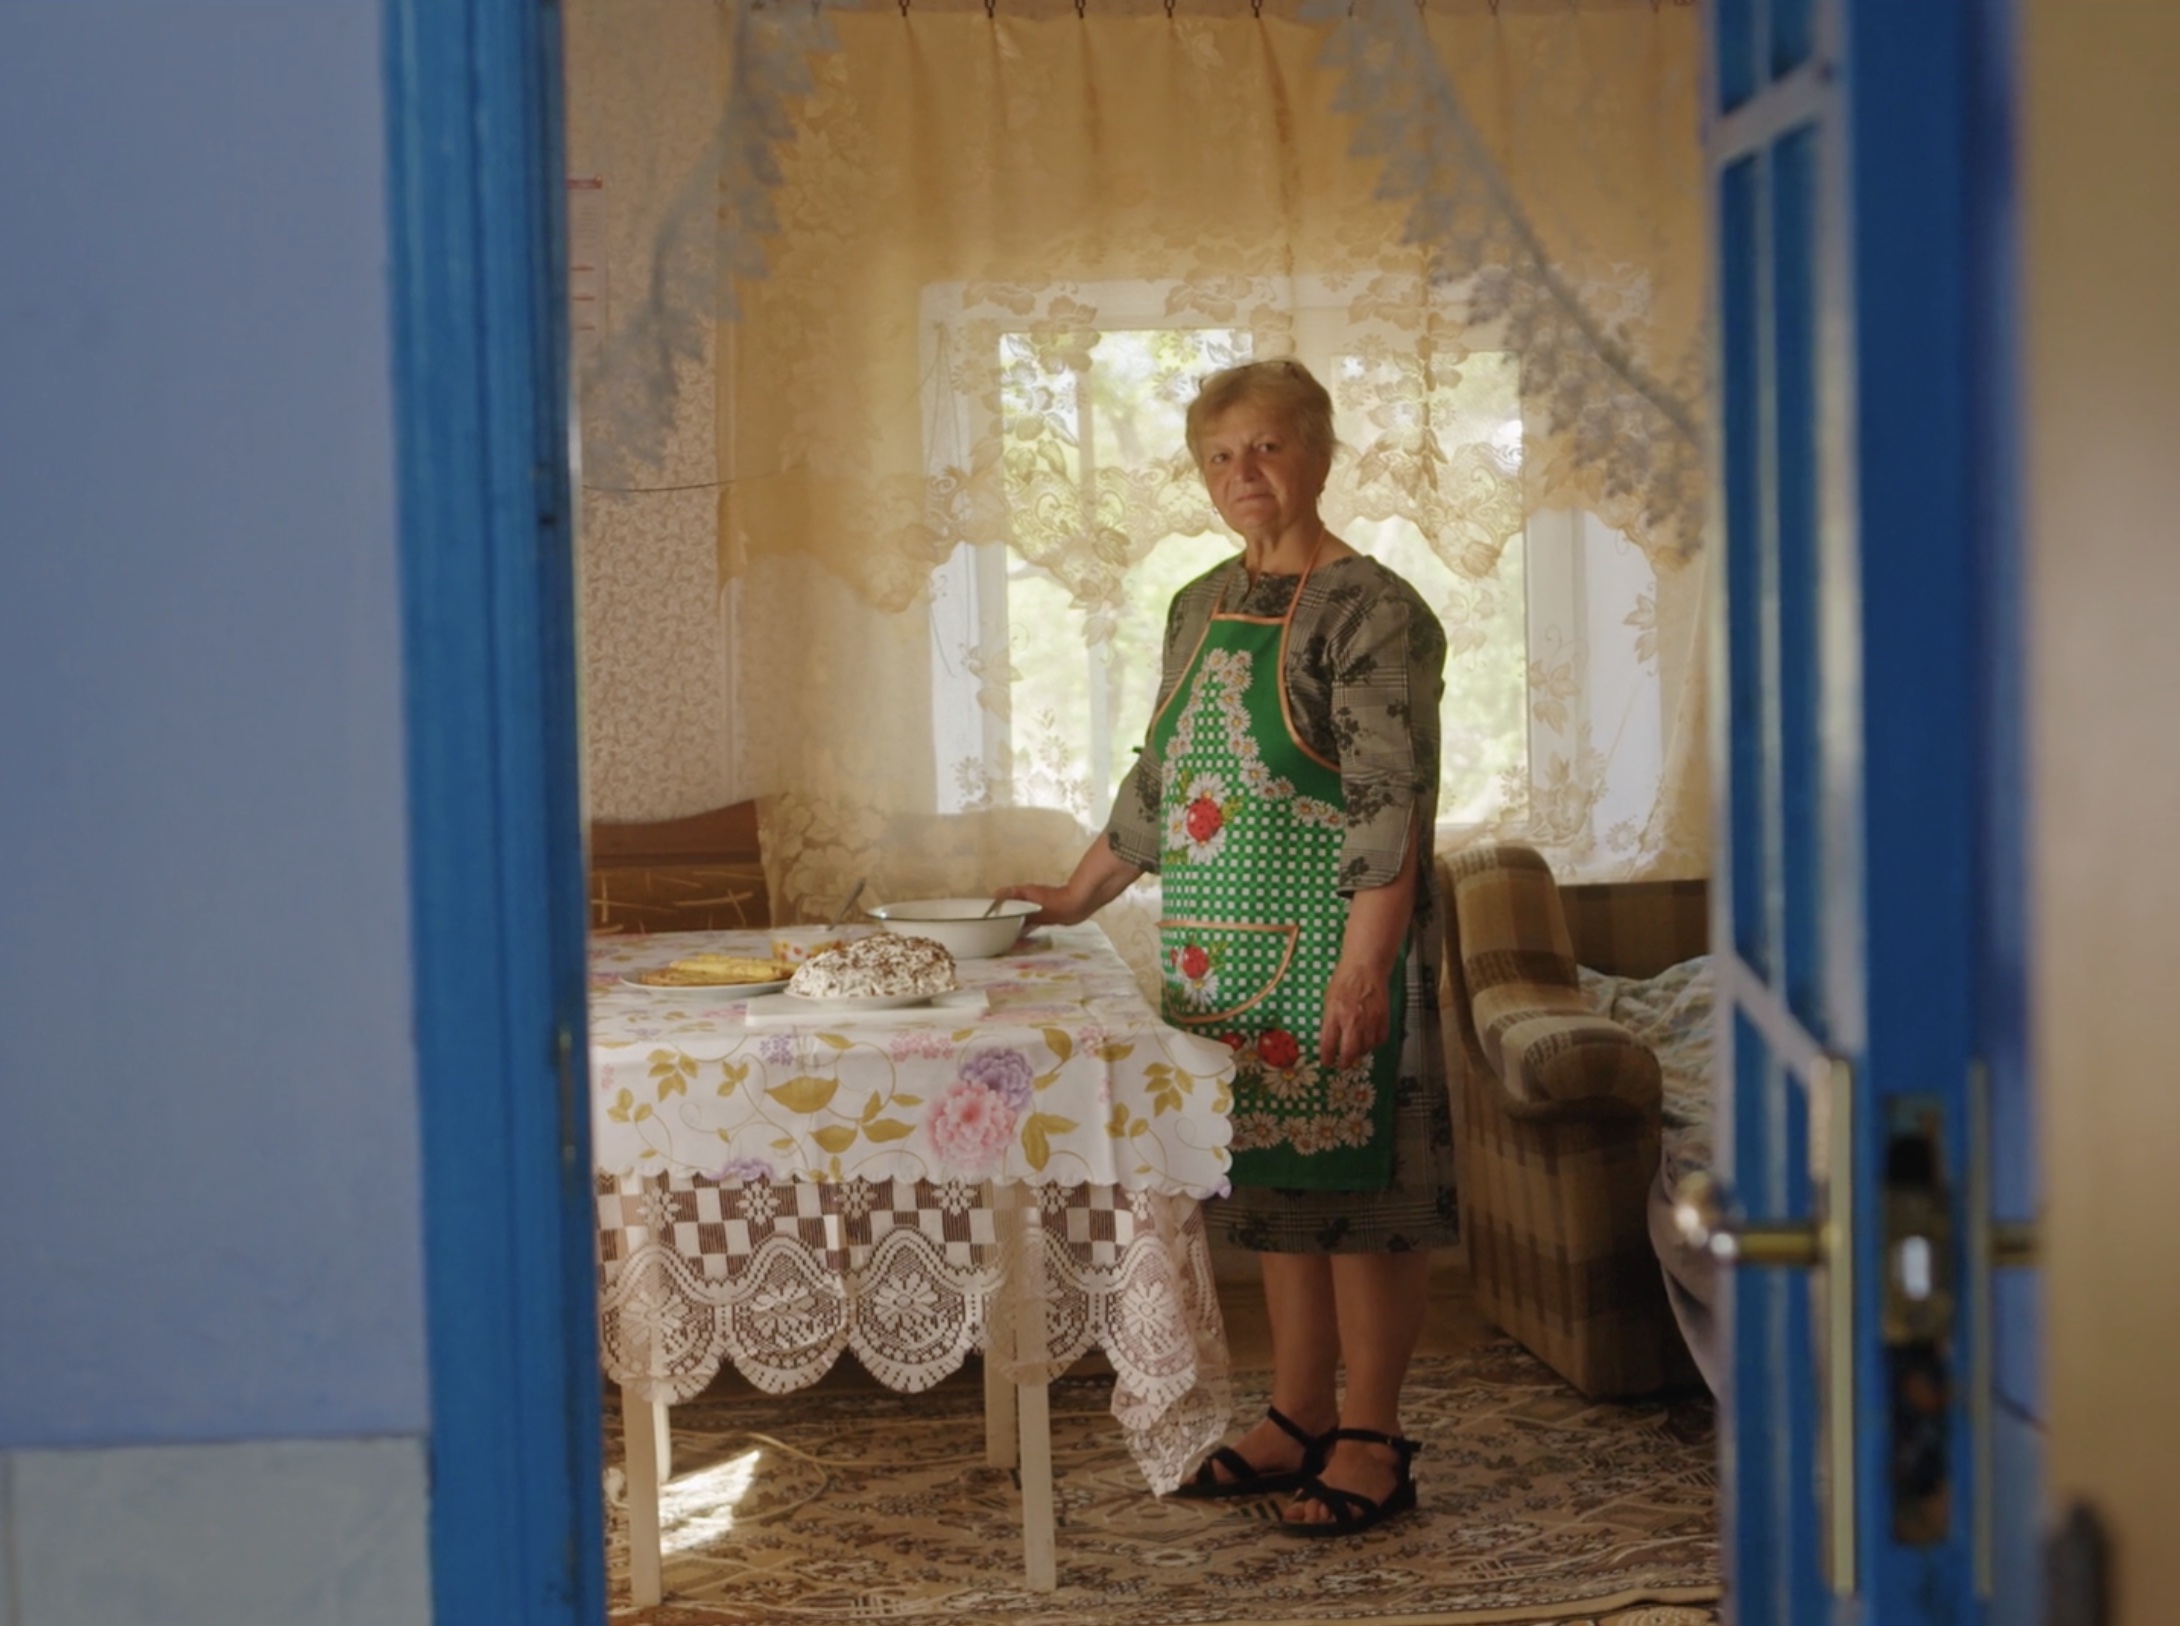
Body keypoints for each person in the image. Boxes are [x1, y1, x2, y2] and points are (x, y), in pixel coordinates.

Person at [1000, 357, 1456, 1536]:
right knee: (1272, 1191)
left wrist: (1364, 967)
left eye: (1265, 446)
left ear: (1317, 453)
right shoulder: (1196, 604)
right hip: (1225, 953)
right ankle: (1297, 1415)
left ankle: (1373, 1434)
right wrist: (1070, 897)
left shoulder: (1372, 609)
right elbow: (1160, 781)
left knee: (1364, 1198)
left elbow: (1388, 800)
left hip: (1343, 942)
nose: (1241, 472)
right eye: (1218, 455)